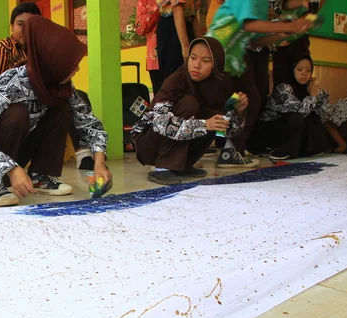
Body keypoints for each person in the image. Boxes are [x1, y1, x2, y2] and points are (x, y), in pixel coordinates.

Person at [0, 16, 113, 207]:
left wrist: (99, 162)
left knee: (62, 107)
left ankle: (40, 176)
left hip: (16, 155)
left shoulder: (60, 87)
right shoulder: (9, 84)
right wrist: (12, 170)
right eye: (71, 65)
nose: (77, 69)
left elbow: (88, 122)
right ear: (53, 62)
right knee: (17, 114)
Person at [0, 2, 95, 170]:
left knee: (66, 100)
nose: (25, 30)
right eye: (20, 24)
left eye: (31, 25)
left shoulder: (43, 51)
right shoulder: (1, 49)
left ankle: (49, 170)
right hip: (3, 108)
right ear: (11, 26)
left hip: (35, 104)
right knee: (19, 112)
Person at [205, 0, 312, 168]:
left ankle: (232, 150)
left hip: (236, 56)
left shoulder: (262, 5)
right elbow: (247, 24)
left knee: (250, 100)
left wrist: (280, 34)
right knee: (228, 102)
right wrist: (288, 26)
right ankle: (224, 149)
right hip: (218, 52)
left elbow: (253, 41)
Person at [132, 37, 249, 185]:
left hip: (175, 139)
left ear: (216, 64)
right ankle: (163, 167)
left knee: (215, 116)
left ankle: (182, 165)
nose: (196, 65)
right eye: (193, 58)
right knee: (190, 103)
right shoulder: (176, 80)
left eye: (205, 61)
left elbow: (225, 132)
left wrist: (238, 113)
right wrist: (204, 124)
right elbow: (160, 123)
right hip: (149, 144)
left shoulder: (220, 85)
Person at [250, 55, 329, 160]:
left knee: (313, 116)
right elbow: (300, 114)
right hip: (270, 130)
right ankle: (282, 151)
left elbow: (324, 113)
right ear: (292, 70)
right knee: (295, 117)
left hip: (288, 130)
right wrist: (312, 97)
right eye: (299, 69)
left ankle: (308, 149)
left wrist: (318, 94)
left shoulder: (309, 88)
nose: (304, 73)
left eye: (308, 71)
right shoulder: (284, 88)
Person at [156, 0, 204, 83]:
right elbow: (177, 7)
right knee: (177, 77)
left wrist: (201, 44)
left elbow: (192, 15)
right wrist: (185, 47)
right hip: (174, 28)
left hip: (184, 24)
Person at [135, 0, 163, 94]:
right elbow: (140, 28)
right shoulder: (144, 1)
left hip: (176, 53)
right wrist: (158, 8)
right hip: (156, 60)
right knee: (160, 99)